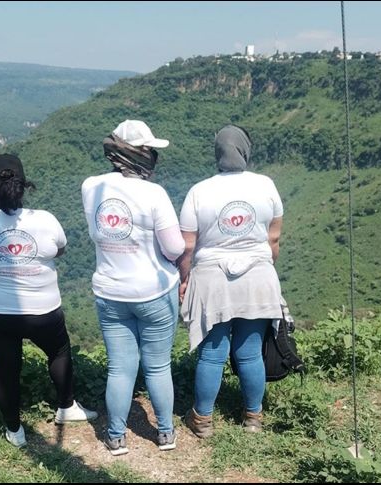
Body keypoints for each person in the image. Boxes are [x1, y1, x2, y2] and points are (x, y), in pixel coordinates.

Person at [0, 153, 97, 448]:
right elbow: (59, 250)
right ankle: (66, 406)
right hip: (42, 310)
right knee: (58, 351)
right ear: (24, 184)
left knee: (6, 368)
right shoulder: (45, 220)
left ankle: (14, 431)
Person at [81, 120, 185, 455]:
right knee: (157, 365)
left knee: (120, 366)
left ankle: (115, 436)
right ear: (137, 153)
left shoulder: (91, 187)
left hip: (110, 292)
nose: (153, 155)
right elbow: (174, 248)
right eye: (149, 150)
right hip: (154, 291)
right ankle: (165, 433)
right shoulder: (154, 193)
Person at [178, 125, 283, 437]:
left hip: (211, 279)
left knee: (212, 353)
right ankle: (253, 418)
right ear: (245, 150)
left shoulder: (199, 191)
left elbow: (187, 246)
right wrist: (262, 267)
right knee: (249, 351)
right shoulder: (266, 186)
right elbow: (274, 239)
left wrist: (184, 279)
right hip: (258, 276)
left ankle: (202, 420)